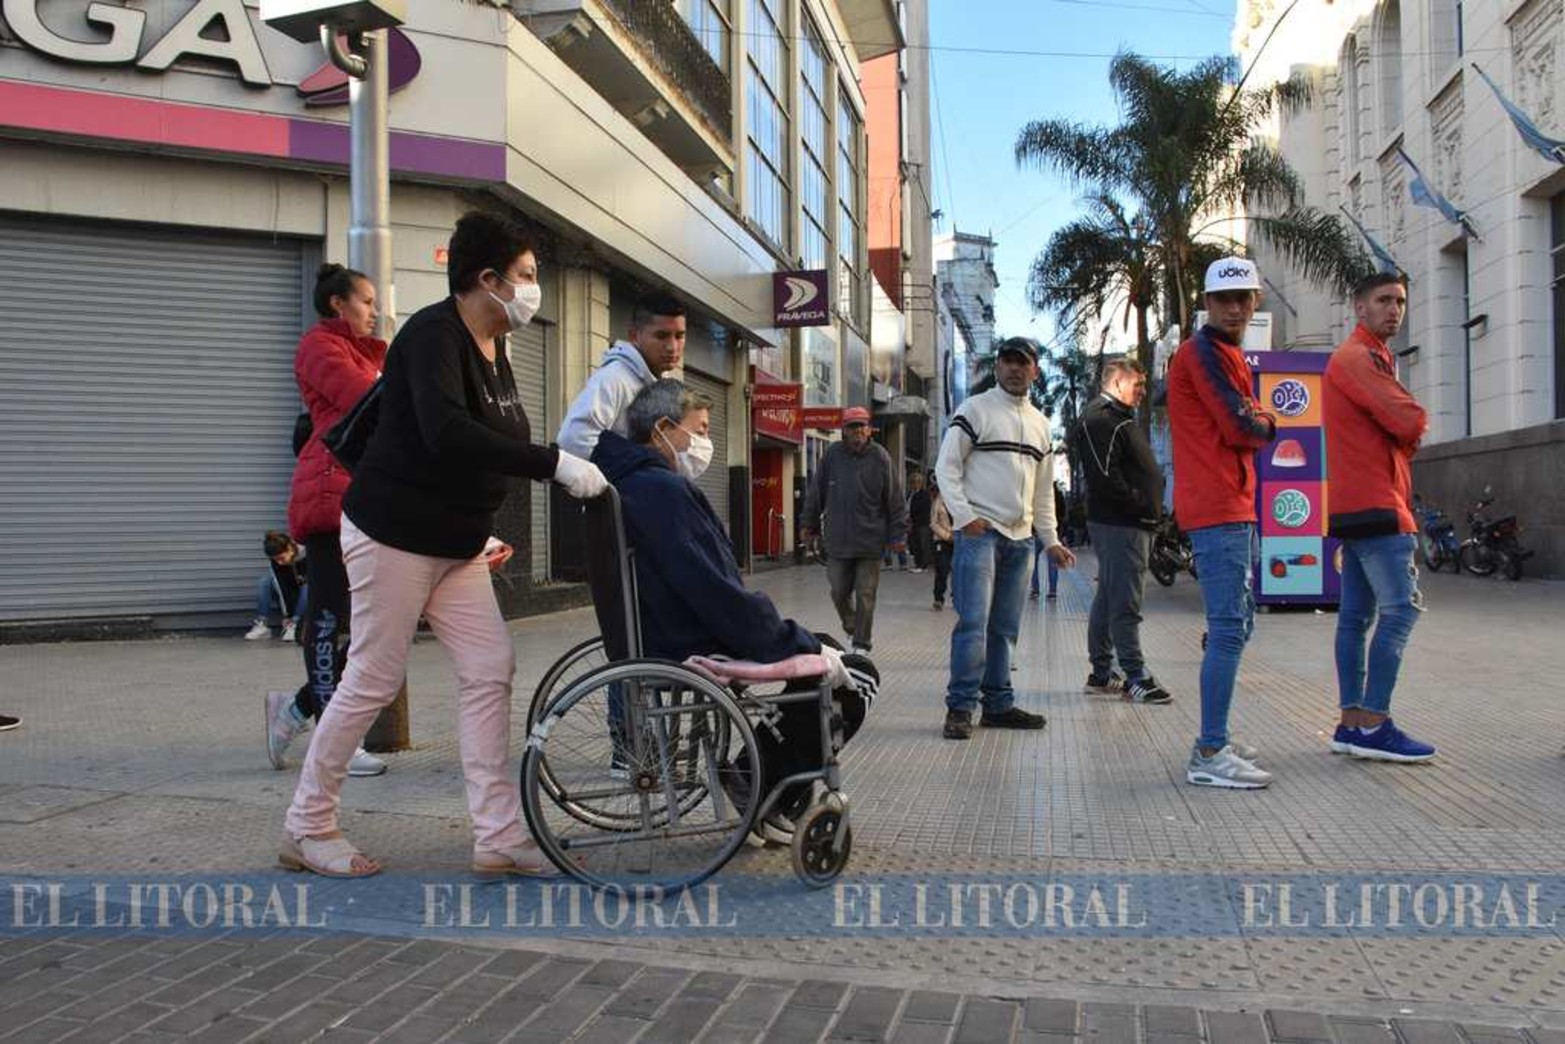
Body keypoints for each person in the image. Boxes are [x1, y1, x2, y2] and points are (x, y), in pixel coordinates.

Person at [281, 211, 608, 879]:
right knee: (371, 677)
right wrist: (552, 464)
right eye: (524, 277)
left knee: (490, 667)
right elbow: (446, 434)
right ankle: (306, 826)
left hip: (455, 545)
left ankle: (497, 836)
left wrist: (479, 525)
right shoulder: (433, 335)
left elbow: (482, 446)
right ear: (485, 279)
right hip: (392, 534)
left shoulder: (497, 348)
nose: (529, 290)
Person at [591, 379, 875, 822]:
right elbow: (712, 589)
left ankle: (755, 777)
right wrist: (788, 640)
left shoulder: (631, 482)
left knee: (820, 649)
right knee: (854, 674)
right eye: (700, 430)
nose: (705, 443)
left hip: (659, 632)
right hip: (689, 640)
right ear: (663, 428)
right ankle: (761, 788)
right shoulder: (661, 491)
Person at [265, 264, 388, 779]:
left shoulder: (368, 353)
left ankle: (294, 710)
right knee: (331, 619)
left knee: (371, 627)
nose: (374, 310)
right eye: (365, 301)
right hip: (330, 494)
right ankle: (333, 739)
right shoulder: (320, 346)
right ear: (337, 303)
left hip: (367, 497)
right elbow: (367, 401)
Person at [1167, 257, 1277, 788]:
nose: (1234, 307)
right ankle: (1210, 751)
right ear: (1206, 304)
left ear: (1255, 301)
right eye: (1224, 299)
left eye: (1244, 297)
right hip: (1220, 507)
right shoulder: (1204, 353)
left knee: (1235, 624)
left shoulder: (1223, 354)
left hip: (1229, 505)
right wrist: (1269, 421)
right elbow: (1242, 427)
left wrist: (1258, 419)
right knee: (1230, 628)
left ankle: (1217, 736)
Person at [937, 337, 1075, 740]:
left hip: (1021, 539)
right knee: (974, 624)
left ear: (1035, 370)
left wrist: (1050, 539)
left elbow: (1043, 490)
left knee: (1006, 627)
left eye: (1023, 362)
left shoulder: (1041, 424)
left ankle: (998, 704)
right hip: (981, 535)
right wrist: (965, 518)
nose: (1015, 369)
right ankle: (960, 708)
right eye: (1008, 361)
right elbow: (946, 467)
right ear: (998, 367)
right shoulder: (975, 409)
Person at [1323, 272, 1435, 763]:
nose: (1395, 310)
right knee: (1400, 611)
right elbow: (1410, 420)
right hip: (1378, 504)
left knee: (1354, 618)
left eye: (1401, 302)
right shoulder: (1358, 358)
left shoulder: (1366, 357)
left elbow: (1399, 423)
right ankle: (1374, 722)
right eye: (1384, 300)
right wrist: (1406, 436)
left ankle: (1351, 724)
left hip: (1354, 505)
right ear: (1359, 306)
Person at [1074, 357, 1170, 704]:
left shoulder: (1116, 419)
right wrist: (1141, 505)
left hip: (1125, 522)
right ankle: (1135, 676)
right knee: (1126, 599)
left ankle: (1102, 673)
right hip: (1121, 524)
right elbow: (1104, 476)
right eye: (1137, 384)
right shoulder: (1103, 420)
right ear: (1116, 384)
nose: (1144, 391)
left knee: (1110, 595)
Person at [801, 408, 907, 654]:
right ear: (844, 431)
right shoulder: (832, 456)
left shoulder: (880, 457)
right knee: (838, 591)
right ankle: (852, 627)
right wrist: (809, 525)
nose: (857, 431)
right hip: (838, 541)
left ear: (869, 429)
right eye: (852, 427)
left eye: (861, 426)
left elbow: (895, 499)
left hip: (870, 542)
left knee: (865, 595)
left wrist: (897, 535)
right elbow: (817, 493)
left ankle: (861, 644)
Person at [556, 293, 686, 459]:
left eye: (679, 336)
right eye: (661, 336)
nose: (672, 347)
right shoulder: (614, 378)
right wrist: (626, 477)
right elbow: (573, 440)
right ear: (634, 335)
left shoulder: (661, 382)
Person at [247, 531, 307, 644]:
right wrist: (287, 615)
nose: (279, 563)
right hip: (290, 596)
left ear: (289, 548)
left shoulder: (309, 554)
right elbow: (280, 586)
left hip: (310, 601)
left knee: (308, 586)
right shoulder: (276, 562)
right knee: (265, 582)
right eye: (275, 560)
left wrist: (293, 618)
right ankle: (262, 624)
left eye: (281, 558)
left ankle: (296, 625)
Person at [1029, 483, 1069, 601]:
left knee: (1033, 562)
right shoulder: (1058, 495)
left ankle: (1035, 589)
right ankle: (1052, 591)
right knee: (1052, 564)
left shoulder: (1036, 492)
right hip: (1053, 533)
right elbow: (1063, 514)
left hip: (1036, 532)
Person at [930, 477, 954, 611]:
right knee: (942, 569)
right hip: (942, 540)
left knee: (959, 571)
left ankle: (957, 597)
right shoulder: (938, 502)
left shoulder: (960, 500)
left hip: (959, 540)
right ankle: (938, 598)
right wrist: (947, 536)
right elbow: (933, 523)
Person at [906, 470, 932, 573]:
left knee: (922, 544)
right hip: (913, 522)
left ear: (920, 483)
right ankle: (918, 564)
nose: (913, 485)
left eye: (916, 482)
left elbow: (922, 508)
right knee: (915, 543)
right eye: (912, 482)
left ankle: (923, 565)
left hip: (922, 522)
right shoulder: (910, 494)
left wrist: (912, 515)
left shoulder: (924, 494)